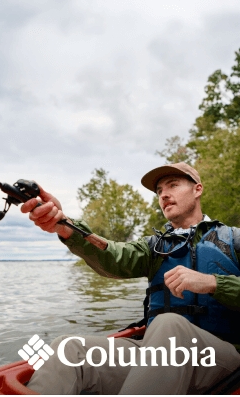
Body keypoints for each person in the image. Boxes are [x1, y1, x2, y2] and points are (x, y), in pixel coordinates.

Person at [21, 162, 240, 394]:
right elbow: (113, 255)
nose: (164, 194)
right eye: (159, 191)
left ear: (197, 189)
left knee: (170, 324)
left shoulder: (234, 239)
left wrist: (214, 283)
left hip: (224, 359)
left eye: (173, 185)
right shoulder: (153, 247)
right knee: (70, 349)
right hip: (159, 356)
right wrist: (64, 225)